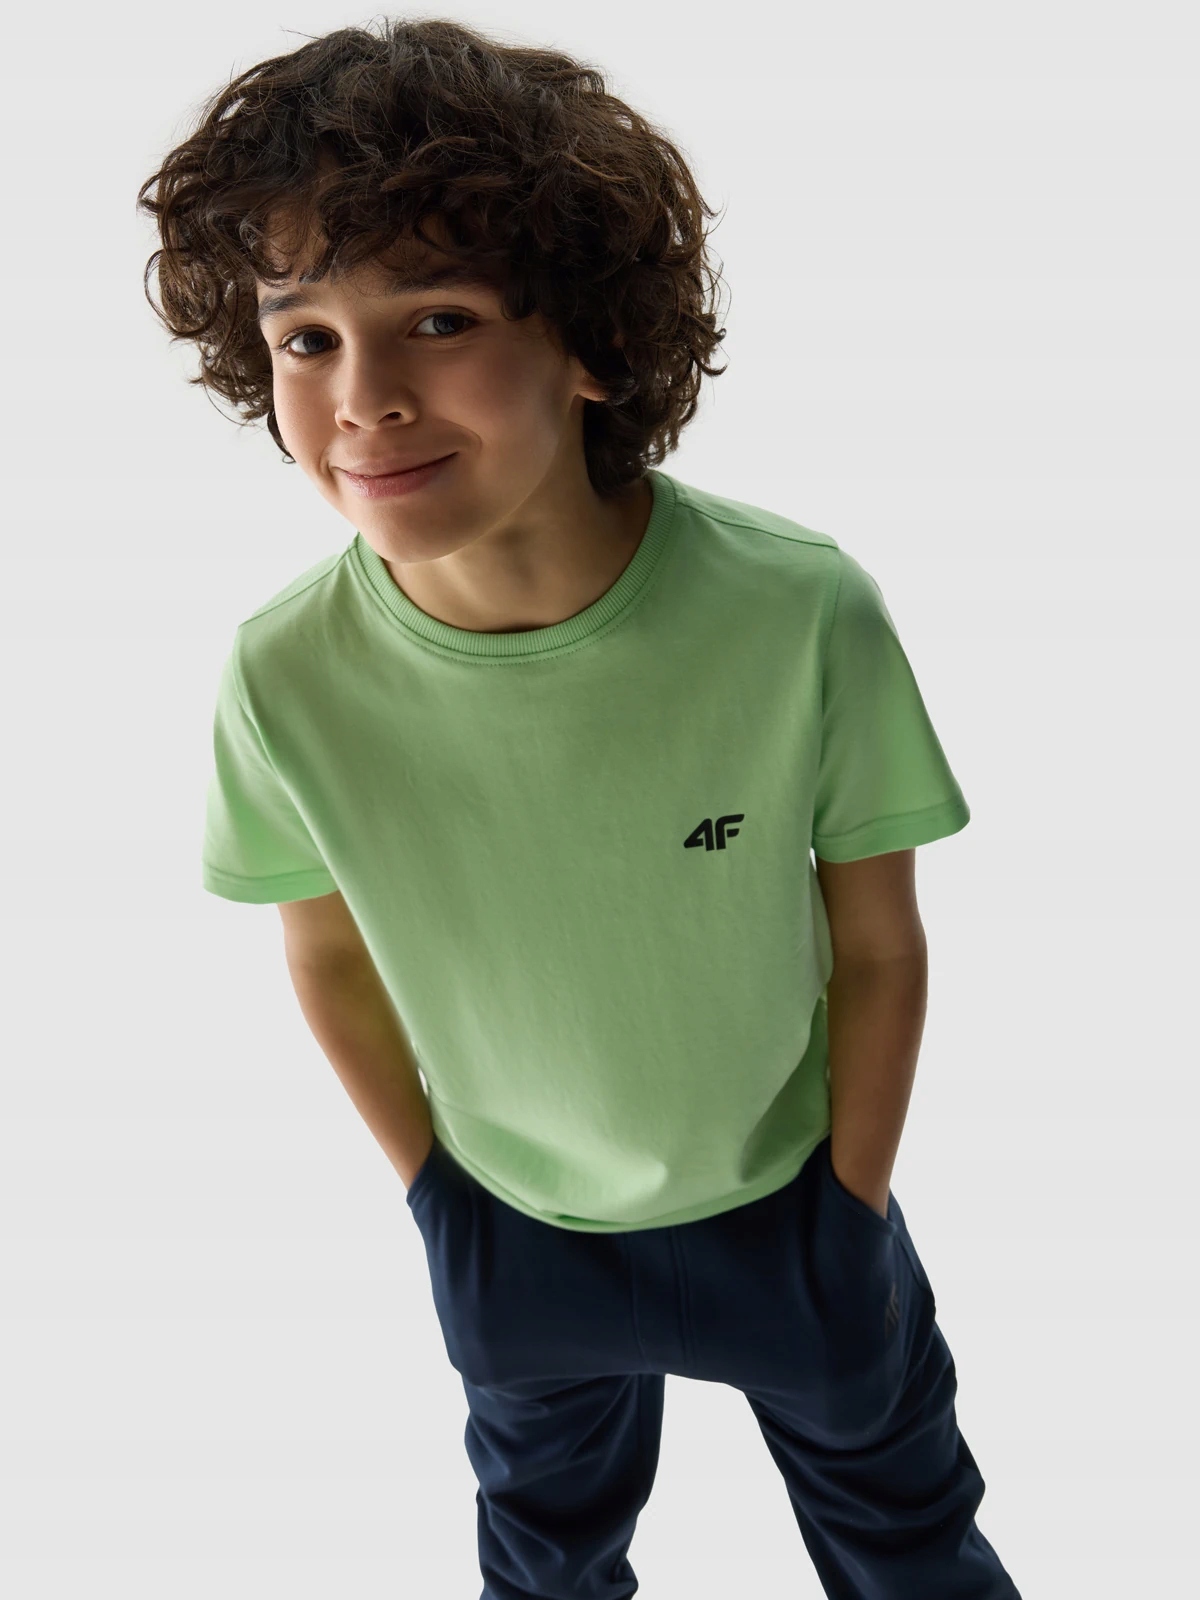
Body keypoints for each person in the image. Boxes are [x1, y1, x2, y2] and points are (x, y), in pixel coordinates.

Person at [138, 17, 1022, 1599]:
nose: (364, 398)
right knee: (544, 1564)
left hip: (795, 1213)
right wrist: (440, 1199)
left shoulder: (798, 612)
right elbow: (324, 953)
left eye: (439, 318)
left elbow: (880, 940)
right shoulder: (285, 674)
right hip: (513, 1231)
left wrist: (852, 1200)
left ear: (591, 341)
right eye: (307, 338)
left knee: (910, 1545)